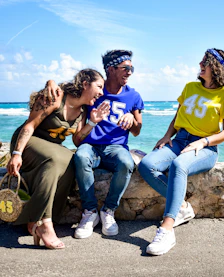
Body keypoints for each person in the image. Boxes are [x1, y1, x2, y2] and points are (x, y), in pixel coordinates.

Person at [138, 48, 224, 256]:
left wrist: (203, 142)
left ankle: (167, 228)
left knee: (178, 165)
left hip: (206, 148)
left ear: (216, 67)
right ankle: (182, 206)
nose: (200, 64)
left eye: (205, 62)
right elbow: (178, 114)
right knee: (147, 164)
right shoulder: (190, 87)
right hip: (179, 139)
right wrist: (167, 135)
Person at [7, 69, 110, 249]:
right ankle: (44, 223)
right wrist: (16, 154)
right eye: (99, 86)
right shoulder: (56, 97)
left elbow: (77, 141)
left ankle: (40, 220)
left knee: (72, 161)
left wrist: (93, 123)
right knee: (55, 159)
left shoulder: (83, 111)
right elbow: (30, 125)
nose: (102, 92)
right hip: (28, 142)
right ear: (85, 84)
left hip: (51, 148)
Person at [47, 50, 144, 239]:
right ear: (111, 69)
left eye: (132, 68)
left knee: (126, 163)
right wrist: (50, 82)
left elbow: (137, 130)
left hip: (117, 148)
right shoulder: (93, 91)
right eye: (126, 68)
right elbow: (76, 135)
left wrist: (132, 118)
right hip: (91, 145)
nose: (130, 72)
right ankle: (90, 212)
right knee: (81, 156)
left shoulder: (133, 96)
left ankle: (108, 211)